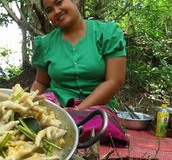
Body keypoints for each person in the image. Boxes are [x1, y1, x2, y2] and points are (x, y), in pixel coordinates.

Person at [30, 0, 128, 145]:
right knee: (34, 119)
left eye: (59, 2)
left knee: (98, 124)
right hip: (57, 103)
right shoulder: (45, 44)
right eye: (49, 10)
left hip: (95, 107)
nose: (56, 11)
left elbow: (115, 81)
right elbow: (41, 82)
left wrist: (76, 111)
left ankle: (62, 134)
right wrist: (28, 104)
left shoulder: (107, 33)